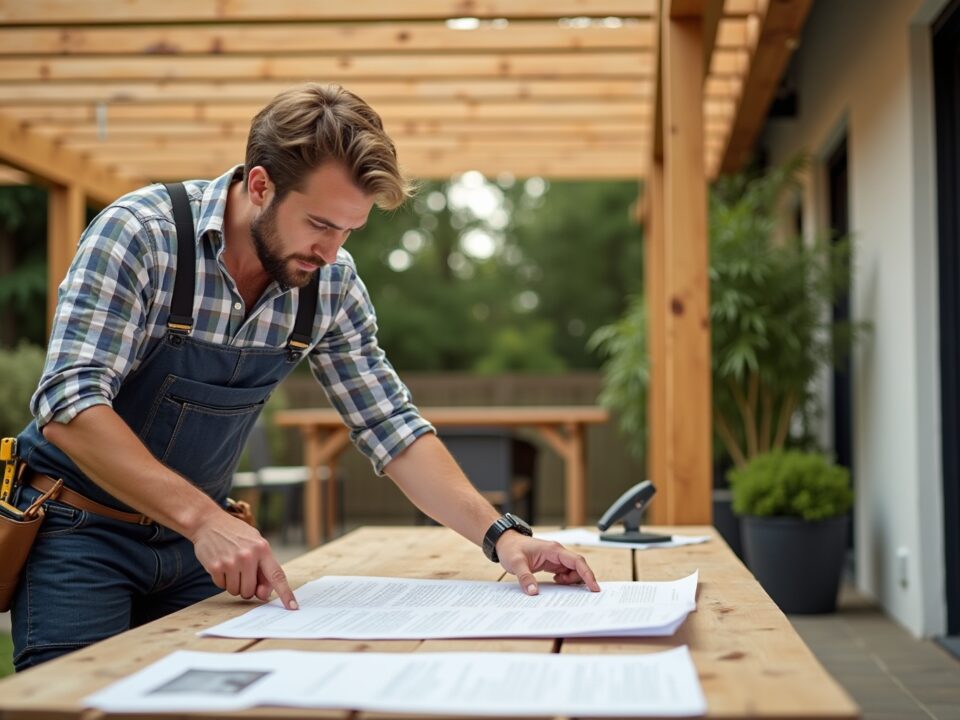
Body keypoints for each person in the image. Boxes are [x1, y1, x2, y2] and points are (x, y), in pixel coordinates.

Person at [9, 83, 600, 671]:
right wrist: (206, 520)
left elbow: (389, 425)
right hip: (80, 533)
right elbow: (70, 404)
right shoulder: (142, 235)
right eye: (319, 223)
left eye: (348, 230)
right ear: (260, 184)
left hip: (198, 549)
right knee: (76, 700)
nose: (330, 250)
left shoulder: (331, 283)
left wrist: (502, 536)